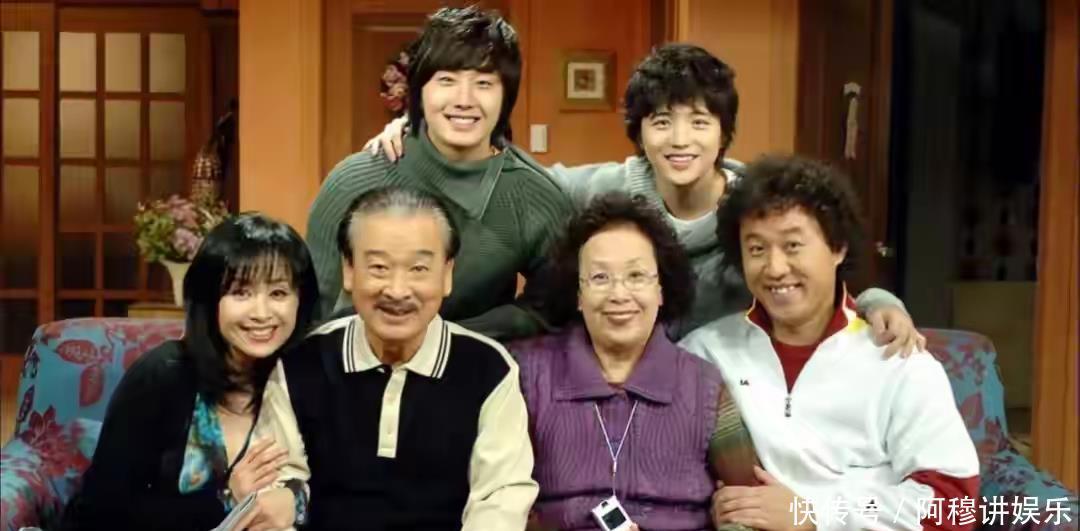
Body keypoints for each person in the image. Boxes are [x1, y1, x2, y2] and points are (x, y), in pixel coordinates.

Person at [368, 43, 922, 351]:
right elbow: (507, 175)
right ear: (639, 133)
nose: (680, 141)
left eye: (699, 123)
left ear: (723, 132)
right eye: (661, 122)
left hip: (725, 388)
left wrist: (881, 302)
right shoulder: (602, 190)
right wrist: (422, 136)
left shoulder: (758, 204)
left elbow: (817, 267)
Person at [680, 155, 980, 531]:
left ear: (838, 248)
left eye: (793, 245)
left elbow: (953, 504)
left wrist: (813, 513)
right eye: (756, 249)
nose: (775, 268)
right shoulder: (705, 353)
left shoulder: (898, 359)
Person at [277, 187, 537, 530]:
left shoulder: (489, 369)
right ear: (349, 269)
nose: (397, 290)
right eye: (379, 267)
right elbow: (283, 484)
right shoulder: (300, 363)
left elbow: (499, 498)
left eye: (418, 268)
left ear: (447, 274)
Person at [306, 5, 571, 341]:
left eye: (484, 83)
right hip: (354, 365)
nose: (464, 100)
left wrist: (449, 341)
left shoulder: (534, 195)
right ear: (419, 90)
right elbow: (313, 314)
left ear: (507, 95)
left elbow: (548, 311)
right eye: (447, 80)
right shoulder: (354, 180)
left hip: (475, 366)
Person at [511, 192, 760, 531]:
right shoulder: (526, 374)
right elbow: (495, 499)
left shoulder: (704, 385)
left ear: (661, 289)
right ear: (578, 294)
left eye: (636, 276)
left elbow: (749, 507)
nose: (619, 295)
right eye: (600, 278)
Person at [62, 213, 319, 531]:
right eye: (241, 292)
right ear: (209, 300)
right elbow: (103, 512)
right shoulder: (162, 376)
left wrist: (296, 502)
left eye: (278, 293)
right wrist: (224, 499)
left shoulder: (308, 376)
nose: (262, 313)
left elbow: (345, 489)